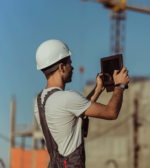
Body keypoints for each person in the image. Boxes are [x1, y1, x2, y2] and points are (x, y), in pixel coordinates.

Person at [34, 39, 130, 168]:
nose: (72, 67)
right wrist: (120, 85)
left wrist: (97, 89)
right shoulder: (67, 97)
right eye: (69, 63)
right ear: (61, 67)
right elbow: (111, 112)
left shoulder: (40, 101)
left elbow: (75, 111)